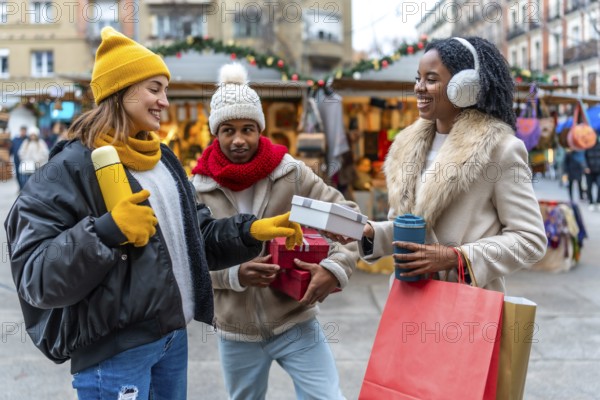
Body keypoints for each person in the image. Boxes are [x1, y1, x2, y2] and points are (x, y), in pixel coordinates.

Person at [4, 27, 302, 400]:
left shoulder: (163, 160)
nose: (165, 101)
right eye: (154, 88)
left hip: (172, 338)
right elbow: (37, 276)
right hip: (115, 353)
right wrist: (107, 231)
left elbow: (197, 237)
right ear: (121, 91)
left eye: (165, 89)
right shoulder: (69, 167)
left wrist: (250, 232)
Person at [191, 63, 359, 400]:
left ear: (260, 130)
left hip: (295, 321)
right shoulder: (199, 189)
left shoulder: (291, 175)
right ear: (215, 133)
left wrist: (334, 268)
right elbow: (190, 261)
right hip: (235, 331)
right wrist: (236, 275)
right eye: (228, 130)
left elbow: (349, 222)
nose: (239, 139)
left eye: (248, 128)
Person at [359, 37, 546, 292]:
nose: (419, 88)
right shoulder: (405, 146)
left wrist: (457, 258)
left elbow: (530, 239)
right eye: (418, 78)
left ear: (464, 87)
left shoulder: (500, 149)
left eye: (431, 79)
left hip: (466, 305)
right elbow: (412, 228)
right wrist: (371, 232)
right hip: (408, 300)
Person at [9, 125, 27, 189]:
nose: (23, 132)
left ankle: (24, 188)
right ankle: (20, 187)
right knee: (17, 174)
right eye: (22, 131)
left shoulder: (27, 139)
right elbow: (11, 149)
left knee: (24, 175)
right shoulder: (15, 139)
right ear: (20, 131)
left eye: (24, 131)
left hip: (25, 160)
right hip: (16, 160)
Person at [584, 140, 600, 211]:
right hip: (589, 171)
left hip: (598, 171)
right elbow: (583, 158)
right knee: (589, 187)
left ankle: (598, 201)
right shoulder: (586, 147)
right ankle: (591, 202)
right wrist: (586, 167)